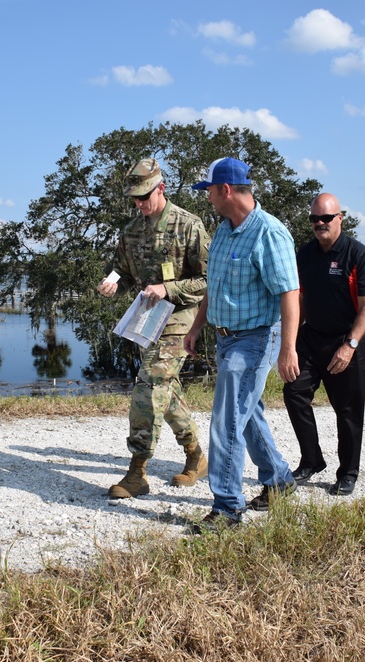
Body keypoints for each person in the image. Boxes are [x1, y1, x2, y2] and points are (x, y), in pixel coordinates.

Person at [183, 157, 301, 531]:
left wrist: (288, 348)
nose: (208, 198)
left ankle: (228, 508)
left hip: (254, 339)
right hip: (225, 338)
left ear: (226, 190)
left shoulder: (269, 232)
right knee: (246, 418)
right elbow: (214, 288)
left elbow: (290, 292)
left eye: (209, 192)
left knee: (226, 421)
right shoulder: (223, 230)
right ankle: (279, 479)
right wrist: (197, 327)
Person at [97, 158, 211, 498]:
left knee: (149, 385)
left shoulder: (189, 225)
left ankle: (137, 472)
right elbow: (121, 269)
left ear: (161, 188)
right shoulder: (131, 231)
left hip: (181, 317)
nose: (139, 203)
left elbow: (209, 280)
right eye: (135, 198)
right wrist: (112, 282)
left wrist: (169, 289)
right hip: (148, 320)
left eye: (144, 196)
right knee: (164, 387)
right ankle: (196, 456)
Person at [283, 192, 365, 496]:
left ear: (340, 218)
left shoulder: (358, 255)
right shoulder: (305, 254)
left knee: (348, 410)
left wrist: (350, 345)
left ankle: (348, 472)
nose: (320, 223)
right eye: (314, 219)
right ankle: (312, 460)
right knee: (294, 392)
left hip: (345, 340)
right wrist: (289, 341)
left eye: (326, 218)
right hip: (312, 337)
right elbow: (297, 298)